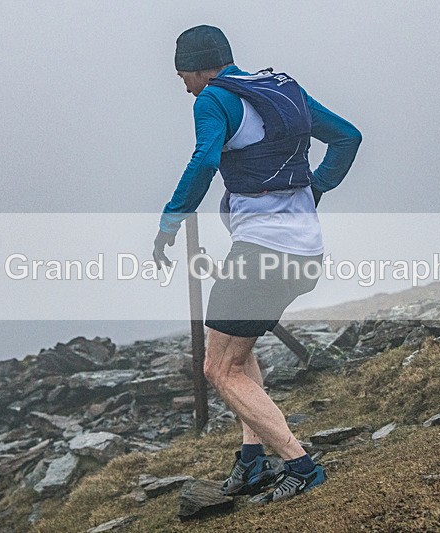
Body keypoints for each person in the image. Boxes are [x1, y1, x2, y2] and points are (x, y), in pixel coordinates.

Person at [153, 25, 361, 503]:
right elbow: (348, 136)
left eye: (184, 75)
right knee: (239, 356)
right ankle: (251, 462)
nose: (184, 85)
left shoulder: (212, 99)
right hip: (305, 251)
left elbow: (205, 160)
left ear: (201, 68)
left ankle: (300, 464)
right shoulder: (283, 89)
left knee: (219, 369)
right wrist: (317, 187)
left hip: (262, 253)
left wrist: (169, 222)